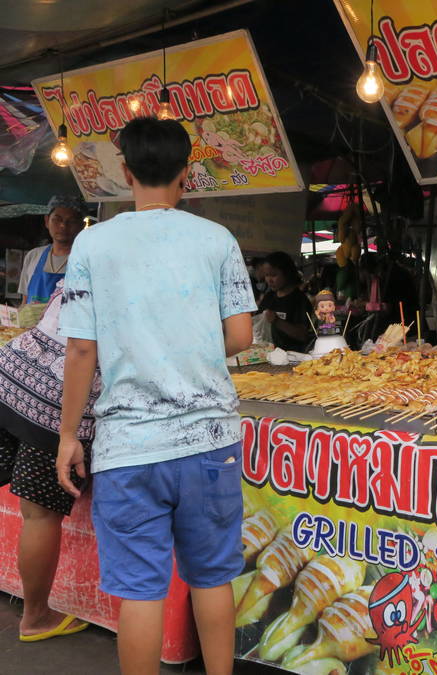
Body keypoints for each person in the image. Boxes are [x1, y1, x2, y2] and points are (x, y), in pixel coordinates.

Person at [56, 116, 256, 675]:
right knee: (213, 577)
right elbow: (240, 336)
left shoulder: (94, 245)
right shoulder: (217, 240)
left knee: (141, 592)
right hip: (209, 444)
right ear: (187, 174)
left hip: (129, 449)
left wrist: (69, 436)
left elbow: (80, 352)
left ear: (125, 172)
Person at [0, 279, 100, 642]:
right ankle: (36, 617)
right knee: (39, 515)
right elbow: (83, 349)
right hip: (56, 398)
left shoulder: (88, 257)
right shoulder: (138, 276)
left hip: (9, 371)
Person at [19, 195, 87, 305]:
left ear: (82, 226)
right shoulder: (33, 256)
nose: (63, 225)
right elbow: (24, 303)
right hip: (33, 323)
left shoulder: (86, 261)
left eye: (71, 221)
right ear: (47, 221)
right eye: (57, 219)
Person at [259, 251, 313, 352]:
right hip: (266, 356)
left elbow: (303, 335)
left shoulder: (300, 300)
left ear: (287, 273)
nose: (269, 280)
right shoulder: (268, 298)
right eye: (266, 275)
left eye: (274, 275)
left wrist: (277, 321)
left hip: (293, 358)